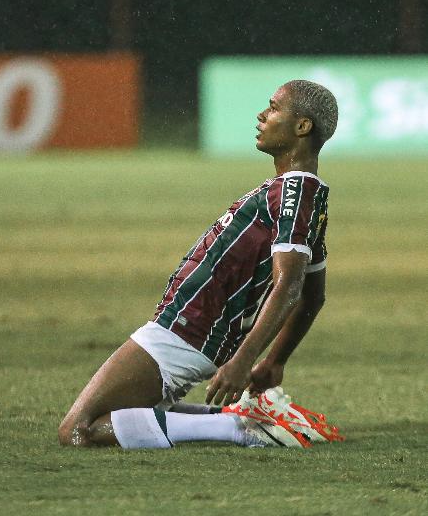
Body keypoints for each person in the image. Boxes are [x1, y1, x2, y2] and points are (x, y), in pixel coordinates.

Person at [58, 79, 339, 449]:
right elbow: (312, 296)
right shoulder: (306, 195)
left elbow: (291, 286)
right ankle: (247, 419)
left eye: (273, 108)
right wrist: (274, 362)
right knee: (142, 411)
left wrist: (245, 359)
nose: (262, 115)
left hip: (188, 330)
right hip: (194, 329)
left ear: (302, 127)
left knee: (78, 430)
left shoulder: (294, 192)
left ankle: (240, 429)